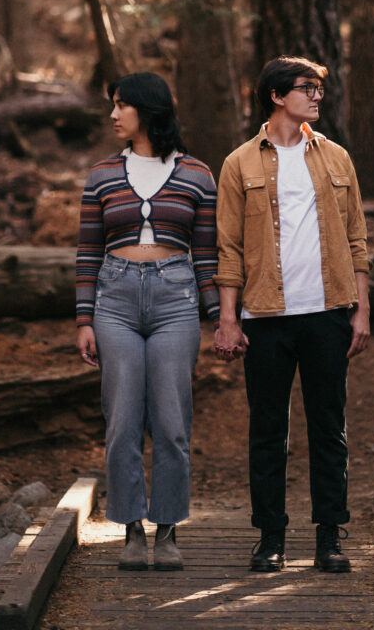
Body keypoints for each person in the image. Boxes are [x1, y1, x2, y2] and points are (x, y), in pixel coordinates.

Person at [214, 56, 370, 573]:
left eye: (320, 89)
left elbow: (356, 240)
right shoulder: (240, 163)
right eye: (307, 88)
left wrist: (361, 310)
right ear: (278, 95)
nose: (318, 96)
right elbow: (229, 249)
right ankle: (271, 537)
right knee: (267, 431)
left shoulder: (336, 159)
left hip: (327, 311)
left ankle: (330, 535)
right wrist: (228, 319)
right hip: (265, 316)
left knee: (329, 427)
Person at [75, 72, 219, 571]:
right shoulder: (100, 175)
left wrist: (220, 315)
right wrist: (84, 319)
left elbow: (206, 254)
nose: (113, 115)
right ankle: (133, 529)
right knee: (122, 422)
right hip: (113, 301)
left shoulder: (199, 174)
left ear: (148, 110)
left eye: (121, 105)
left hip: (176, 302)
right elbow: (89, 250)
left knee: (172, 422)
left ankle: (169, 531)